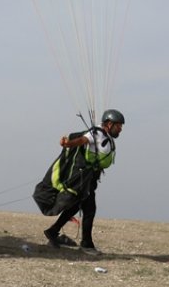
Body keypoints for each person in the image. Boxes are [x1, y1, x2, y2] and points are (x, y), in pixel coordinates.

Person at [35, 109, 124, 256]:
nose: (120, 129)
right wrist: (68, 144)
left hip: (90, 179)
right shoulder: (96, 133)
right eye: (119, 125)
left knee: (75, 206)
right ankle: (86, 244)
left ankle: (53, 231)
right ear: (109, 124)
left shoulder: (105, 136)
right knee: (89, 209)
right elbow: (82, 140)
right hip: (83, 179)